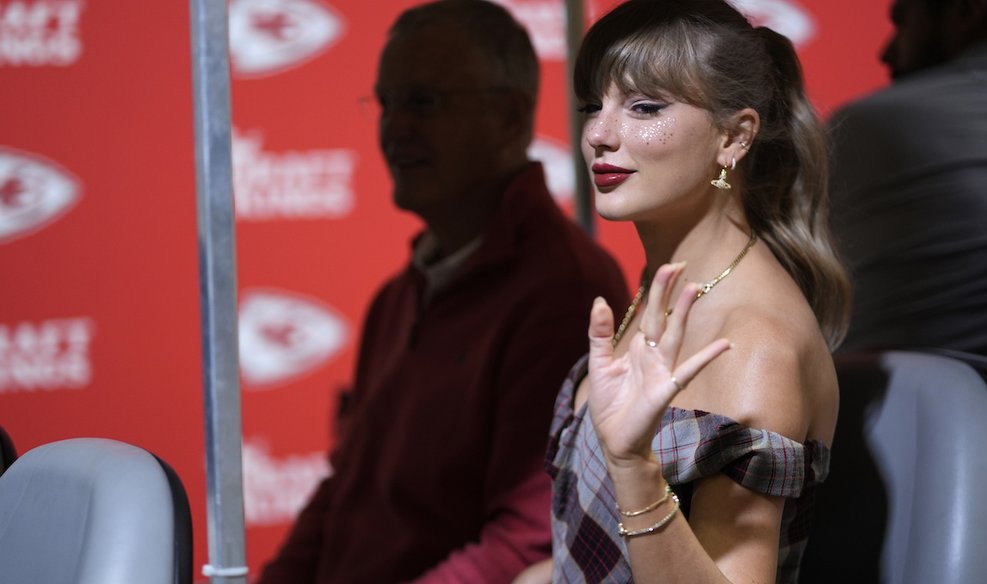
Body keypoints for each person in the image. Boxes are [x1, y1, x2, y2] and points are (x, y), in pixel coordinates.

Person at [256, 1, 630, 583]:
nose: (394, 127)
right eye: (387, 104)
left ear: (509, 117)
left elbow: (527, 547)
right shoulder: (397, 297)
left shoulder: (566, 293)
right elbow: (344, 490)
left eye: (424, 103)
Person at [513, 1, 852, 583]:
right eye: (594, 105)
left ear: (734, 136)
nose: (597, 133)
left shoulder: (752, 346)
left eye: (644, 107)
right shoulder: (670, 288)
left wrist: (633, 468)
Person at [828, 0, 987, 360]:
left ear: (967, 13)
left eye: (902, 23)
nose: (886, 52)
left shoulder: (866, 124)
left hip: (885, 407)